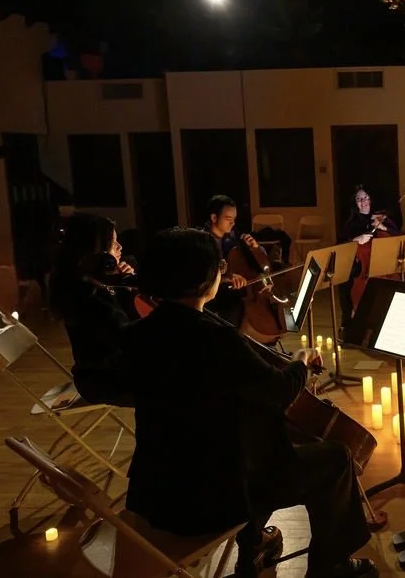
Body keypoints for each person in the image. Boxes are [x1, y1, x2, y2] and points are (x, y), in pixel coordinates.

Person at [119, 228, 376, 578]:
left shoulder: (136, 334)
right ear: (205, 279)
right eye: (219, 266)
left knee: (251, 443)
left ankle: (253, 548)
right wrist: (300, 363)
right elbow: (279, 391)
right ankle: (331, 567)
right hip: (210, 500)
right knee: (335, 458)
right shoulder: (216, 339)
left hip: (155, 493)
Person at [47, 213, 136, 405]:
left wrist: (125, 287)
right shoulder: (85, 293)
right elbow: (128, 337)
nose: (120, 247)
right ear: (94, 250)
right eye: (113, 242)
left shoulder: (96, 283)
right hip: (104, 380)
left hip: (114, 370)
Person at [337, 186, 402, 329]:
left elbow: (400, 236)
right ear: (355, 203)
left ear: (370, 199)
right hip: (363, 269)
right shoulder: (351, 223)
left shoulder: (381, 218)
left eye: (365, 197)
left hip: (385, 268)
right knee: (345, 282)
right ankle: (350, 322)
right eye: (359, 199)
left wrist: (384, 228)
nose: (363, 201)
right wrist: (356, 239)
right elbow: (340, 246)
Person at [203, 195, 257, 326]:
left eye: (234, 219)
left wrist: (254, 248)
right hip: (212, 297)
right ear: (214, 218)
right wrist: (227, 277)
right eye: (228, 219)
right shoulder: (202, 242)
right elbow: (202, 277)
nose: (233, 223)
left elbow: (252, 260)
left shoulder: (232, 236)